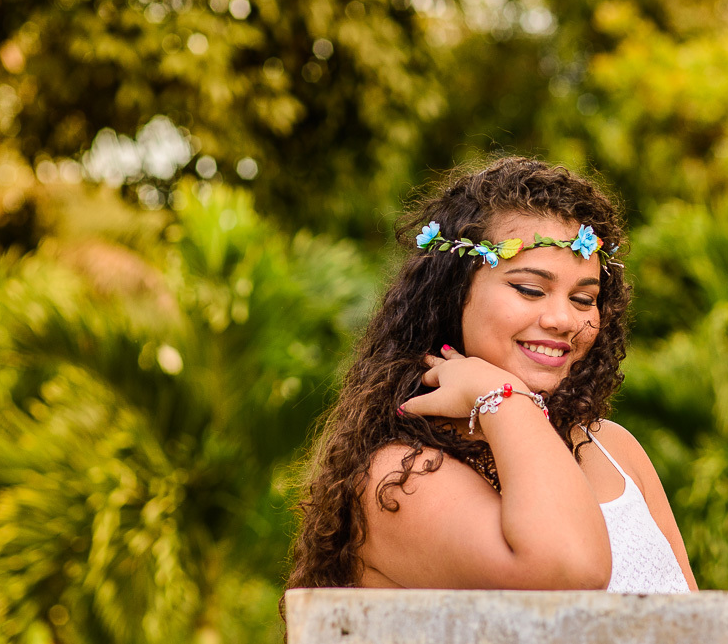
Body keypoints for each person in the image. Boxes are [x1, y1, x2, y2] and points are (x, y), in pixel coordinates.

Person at [287, 157, 697, 593]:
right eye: (530, 290)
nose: (563, 319)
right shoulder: (398, 477)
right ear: (452, 292)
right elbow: (569, 570)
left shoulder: (615, 450)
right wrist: (501, 397)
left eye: (583, 298)